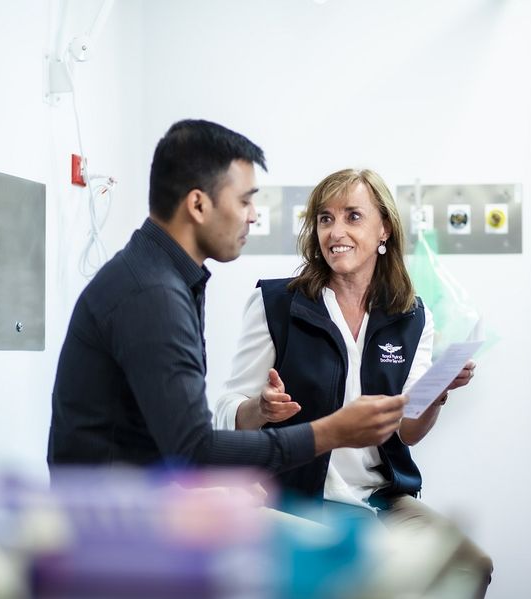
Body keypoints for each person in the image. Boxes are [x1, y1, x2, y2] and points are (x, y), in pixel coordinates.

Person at [47, 121, 408, 473]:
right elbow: (195, 449)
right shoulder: (153, 296)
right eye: (244, 201)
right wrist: (331, 432)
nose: (252, 216)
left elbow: (173, 442)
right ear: (198, 205)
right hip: (110, 509)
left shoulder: (158, 276)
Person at [213, 168, 493, 596]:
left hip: (381, 499)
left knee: (469, 565)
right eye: (325, 218)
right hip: (297, 496)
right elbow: (226, 410)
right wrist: (260, 408)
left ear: (384, 229)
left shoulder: (412, 316)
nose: (336, 231)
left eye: (352, 216)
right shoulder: (275, 304)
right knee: (365, 573)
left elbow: (408, 431)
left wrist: (436, 396)